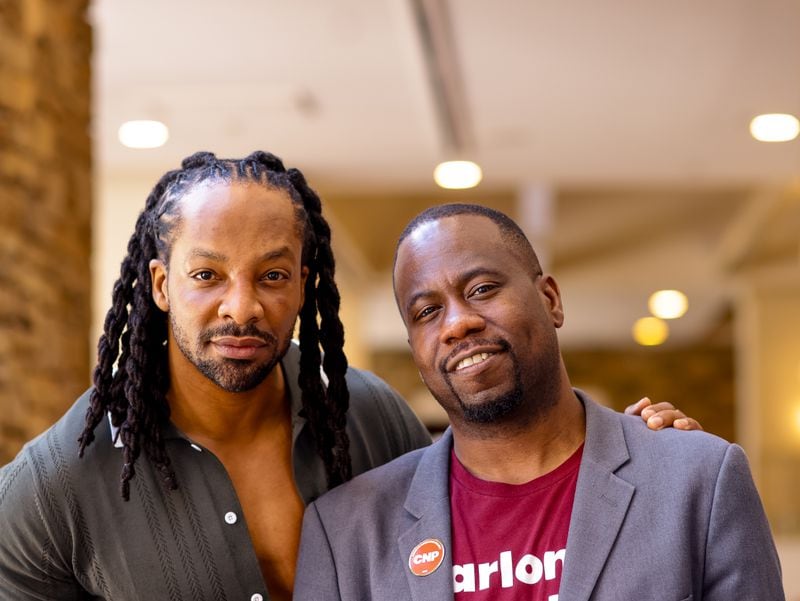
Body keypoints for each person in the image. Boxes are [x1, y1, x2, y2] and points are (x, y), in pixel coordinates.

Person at [0, 154, 698, 601]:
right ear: (159, 284)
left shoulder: (368, 417)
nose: (241, 305)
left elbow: (503, 495)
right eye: (207, 275)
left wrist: (632, 452)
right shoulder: (59, 480)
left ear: (303, 285)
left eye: (271, 275)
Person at [294, 203, 785, 600]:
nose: (457, 323)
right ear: (415, 350)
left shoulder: (698, 479)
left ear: (550, 299)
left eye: (482, 289)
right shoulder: (345, 534)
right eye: (427, 311)